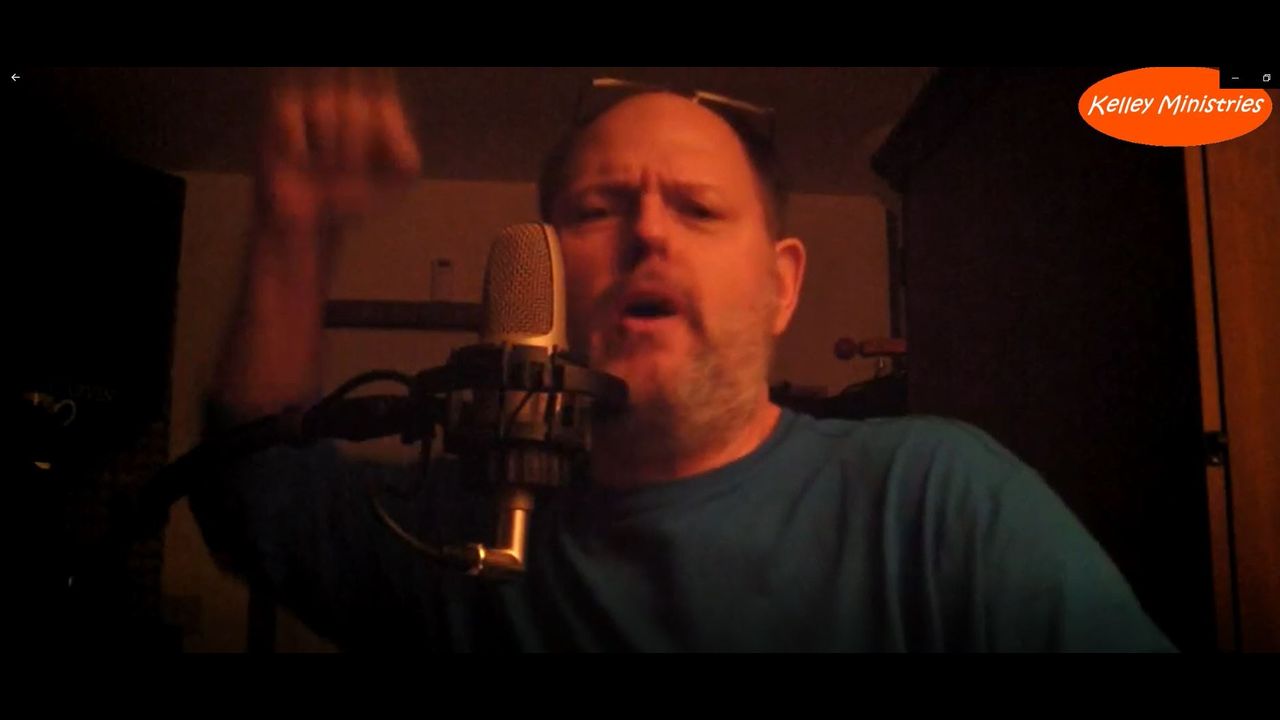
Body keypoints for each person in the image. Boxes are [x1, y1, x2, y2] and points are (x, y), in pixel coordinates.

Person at [192, 69, 1175, 652]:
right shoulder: (456, 530)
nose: (649, 233)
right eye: (597, 209)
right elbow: (250, 495)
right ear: (540, 276)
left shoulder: (936, 500)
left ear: (781, 285)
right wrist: (293, 228)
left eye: (698, 209)